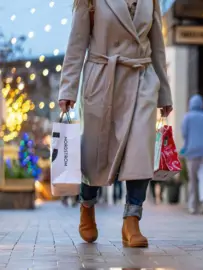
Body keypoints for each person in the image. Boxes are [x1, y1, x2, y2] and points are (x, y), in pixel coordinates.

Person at [58, 0, 172, 248]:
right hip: (101, 79)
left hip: (142, 78)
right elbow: (76, 44)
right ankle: (87, 205)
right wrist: (67, 89)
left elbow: (157, 46)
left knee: (140, 151)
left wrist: (164, 92)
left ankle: (132, 219)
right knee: (94, 153)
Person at [182, 94, 203, 214]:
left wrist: (185, 149)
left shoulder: (187, 117)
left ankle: (192, 205)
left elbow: (184, 134)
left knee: (192, 180)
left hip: (191, 152)